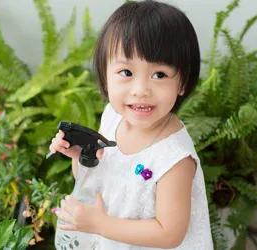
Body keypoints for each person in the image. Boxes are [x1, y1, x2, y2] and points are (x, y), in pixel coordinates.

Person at [48, 0, 213, 249]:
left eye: (159, 75)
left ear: (182, 83)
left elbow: (169, 234)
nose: (140, 91)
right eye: (126, 72)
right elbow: (98, 180)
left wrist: (100, 225)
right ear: (105, 74)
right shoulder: (112, 118)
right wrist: (81, 156)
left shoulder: (174, 160)